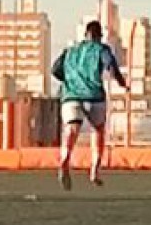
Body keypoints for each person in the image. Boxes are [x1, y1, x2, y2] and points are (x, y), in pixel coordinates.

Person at [52, 20, 130, 189]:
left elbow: (55, 69)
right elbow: (112, 68)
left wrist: (69, 80)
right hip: (94, 96)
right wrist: (123, 84)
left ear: (85, 34)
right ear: (99, 35)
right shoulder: (102, 49)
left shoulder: (70, 51)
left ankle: (65, 158)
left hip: (71, 95)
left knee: (71, 129)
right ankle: (95, 168)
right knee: (98, 130)